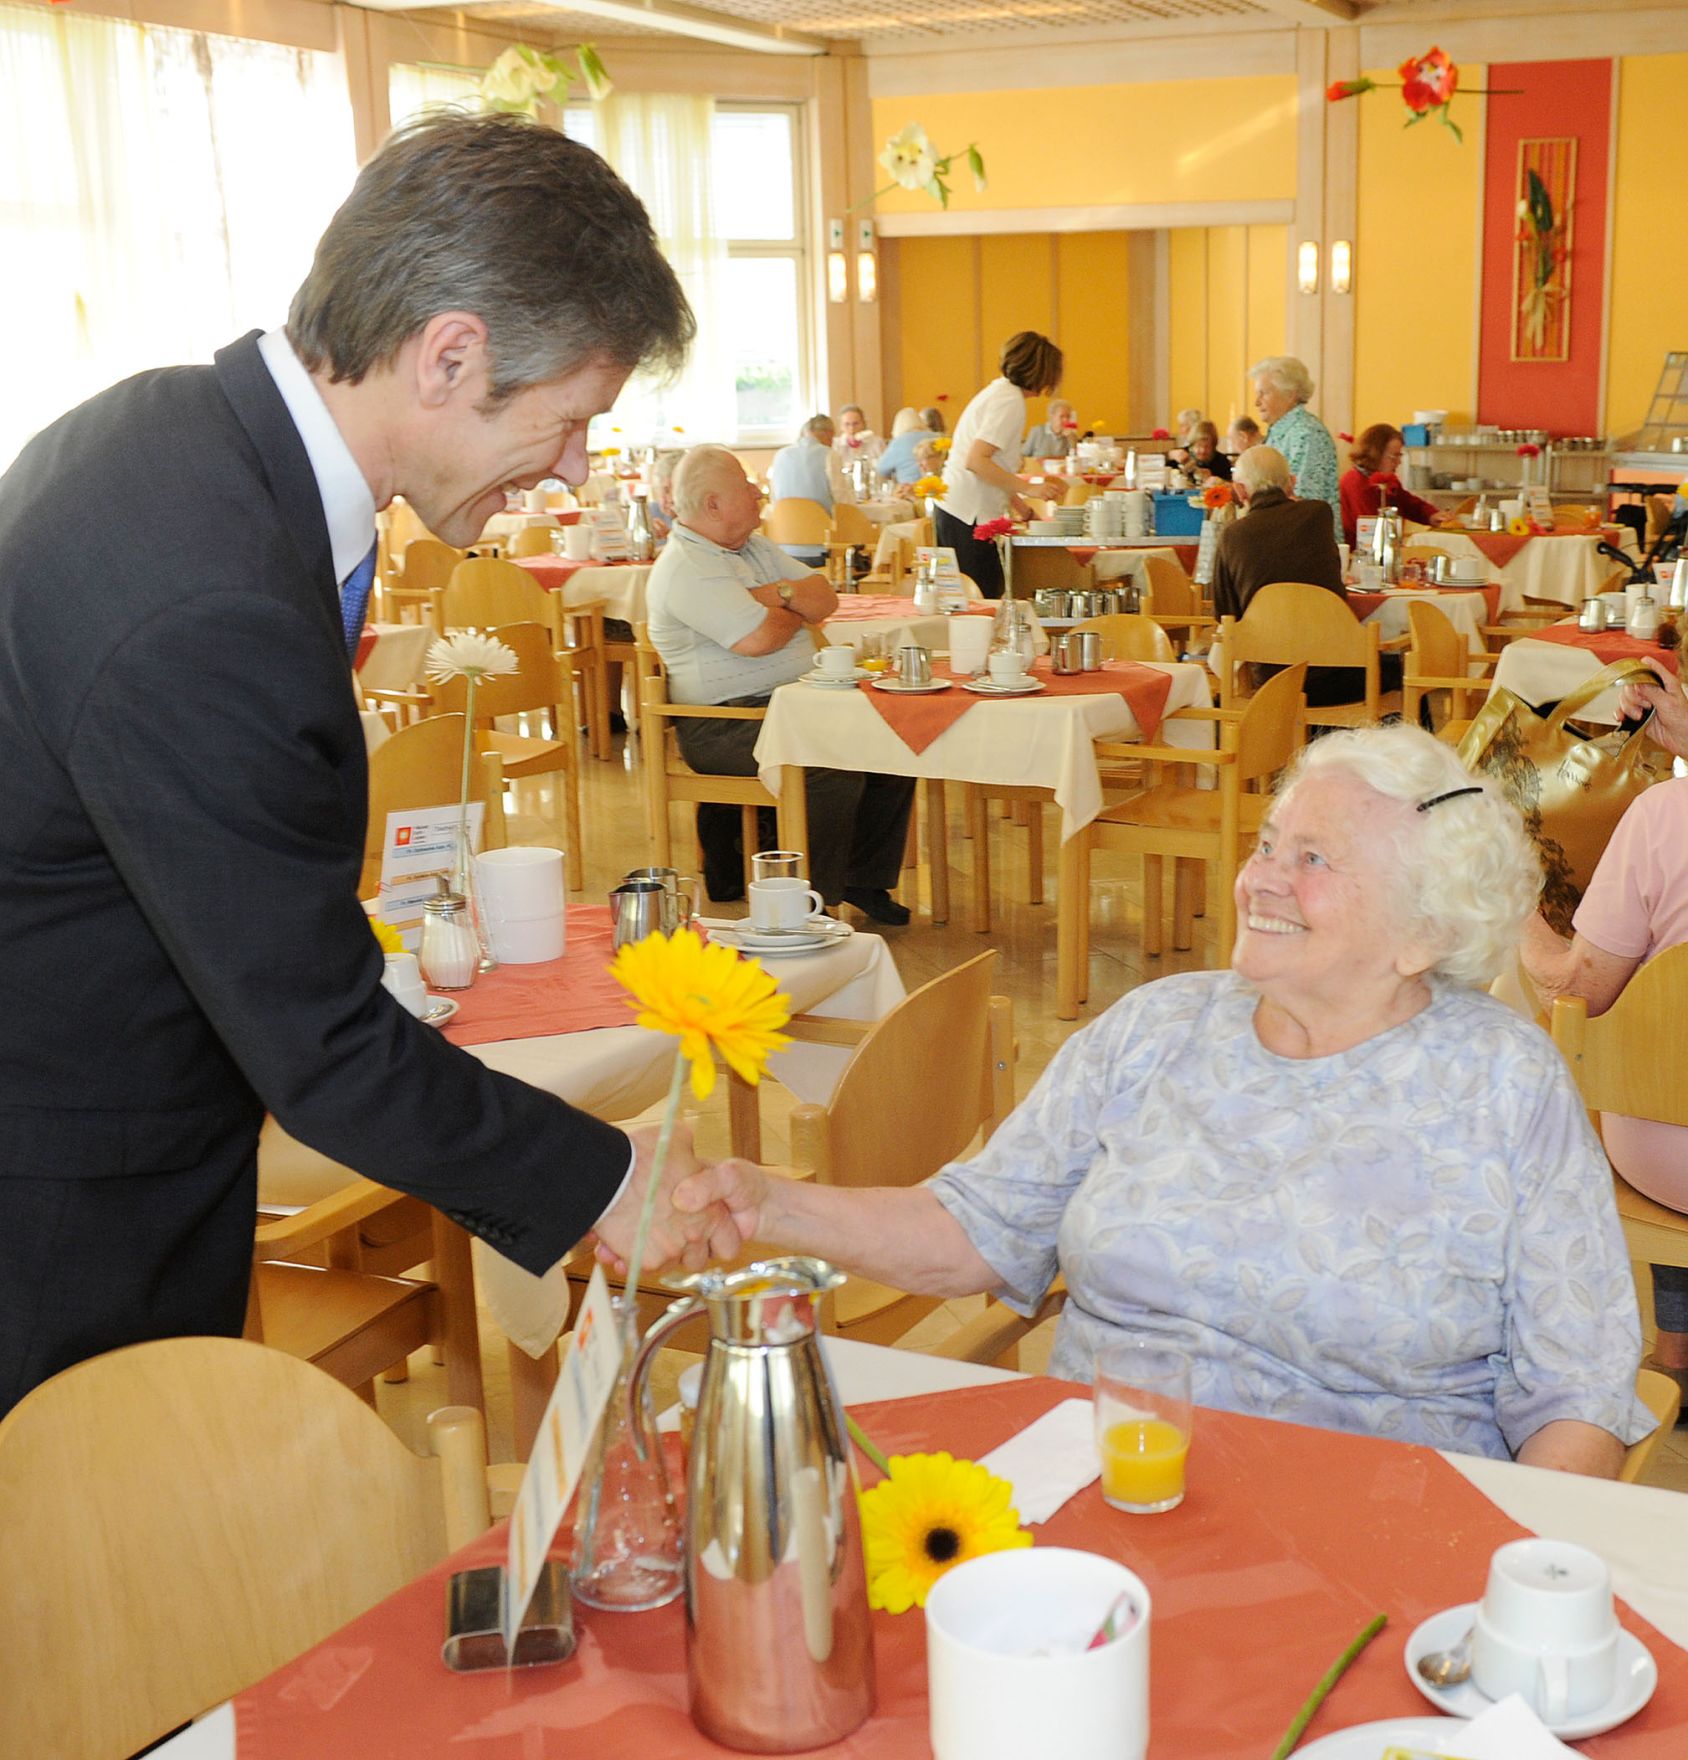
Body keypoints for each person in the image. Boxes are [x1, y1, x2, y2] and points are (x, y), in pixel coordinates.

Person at [0, 114, 753, 1417]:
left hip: (106, 1114)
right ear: (450, 356)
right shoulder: (209, 592)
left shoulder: (180, 434)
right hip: (64, 1184)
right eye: (570, 419)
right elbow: (325, 1047)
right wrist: (600, 1183)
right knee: (81, 1580)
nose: (575, 466)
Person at [695, 726, 1652, 1475]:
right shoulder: (1156, 1028)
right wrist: (770, 1202)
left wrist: (1507, 1575)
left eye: (1314, 860)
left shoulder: (1503, 1082)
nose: (1260, 878)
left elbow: (1577, 1389)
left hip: (1378, 1525)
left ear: (1424, 933)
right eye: (1271, 842)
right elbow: (978, 1229)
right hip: (1108, 1490)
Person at [645, 447, 916, 923]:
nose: (758, 492)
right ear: (712, 505)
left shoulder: (751, 547)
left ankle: (863, 879)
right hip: (723, 723)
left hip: (791, 704)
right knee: (828, 765)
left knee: (893, 735)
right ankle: (813, 905)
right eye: (745, 488)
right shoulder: (687, 565)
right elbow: (759, 638)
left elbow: (825, 597)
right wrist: (791, 603)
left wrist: (771, 597)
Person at [1520, 762, 1688, 1417]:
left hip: (1668, 1154)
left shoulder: (1664, 815)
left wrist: (1513, 908)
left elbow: (1575, 996)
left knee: (1657, 1064)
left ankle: (1675, 1353)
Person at [1212, 446, 1385, 709]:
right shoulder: (1318, 514)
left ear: (1241, 491)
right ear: (1291, 483)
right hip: (1336, 671)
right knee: (1401, 666)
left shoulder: (1231, 536)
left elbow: (1226, 614)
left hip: (1272, 676)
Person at [933, 331, 1067, 599]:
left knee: (972, 601)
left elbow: (994, 466)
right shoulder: (1010, 402)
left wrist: (1023, 509)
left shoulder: (1000, 393)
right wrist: (1030, 489)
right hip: (967, 514)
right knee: (980, 603)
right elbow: (977, 461)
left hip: (957, 509)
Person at [1250, 355, 1341, 542]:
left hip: (1304, 546)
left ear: (1290, 394)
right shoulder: (1279, 432)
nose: (1256, 402)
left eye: (1263, 393)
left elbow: (1303, 506)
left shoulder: (1307, 434)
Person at [1340, 423, 1453, 548]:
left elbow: (1408, 502)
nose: (1398, 462)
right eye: (1394, 456)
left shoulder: (1386, 479)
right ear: (1375, 454)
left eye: (1400, 456)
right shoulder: (1355, 483)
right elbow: (1372, 529)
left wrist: (1431, 515)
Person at [768, 413, 849, 564]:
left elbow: (774, 498)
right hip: (823, 547)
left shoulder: (780, 455)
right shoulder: (829, 455)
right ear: (828, 434)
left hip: (783, 546)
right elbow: (843, 503)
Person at [874, 407, 933, 487]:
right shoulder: (937, 437)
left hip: (909, 491)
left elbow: (881, 470)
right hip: (936, 490)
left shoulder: (898, 442)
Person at [833, 404, 884, 469]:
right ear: (841, 426)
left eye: (856, 424)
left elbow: (886, 468)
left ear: (864, 424)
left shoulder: (877, 443)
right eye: (847, 424)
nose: (852, 428)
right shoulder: (835, 445)